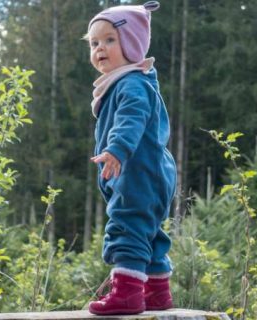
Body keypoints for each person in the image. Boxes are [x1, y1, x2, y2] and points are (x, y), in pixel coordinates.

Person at [85, 1, 177, 315]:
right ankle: (157, 292)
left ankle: (126, 293)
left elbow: (131, 118)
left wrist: (117, 149)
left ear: (132, 44)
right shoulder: (129, 81)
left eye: (110, 40)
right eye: (94, 42)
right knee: (147, 230)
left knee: (127, 225)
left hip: (139, 172)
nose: (100, 48)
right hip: (151, 172)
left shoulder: (132, 84)